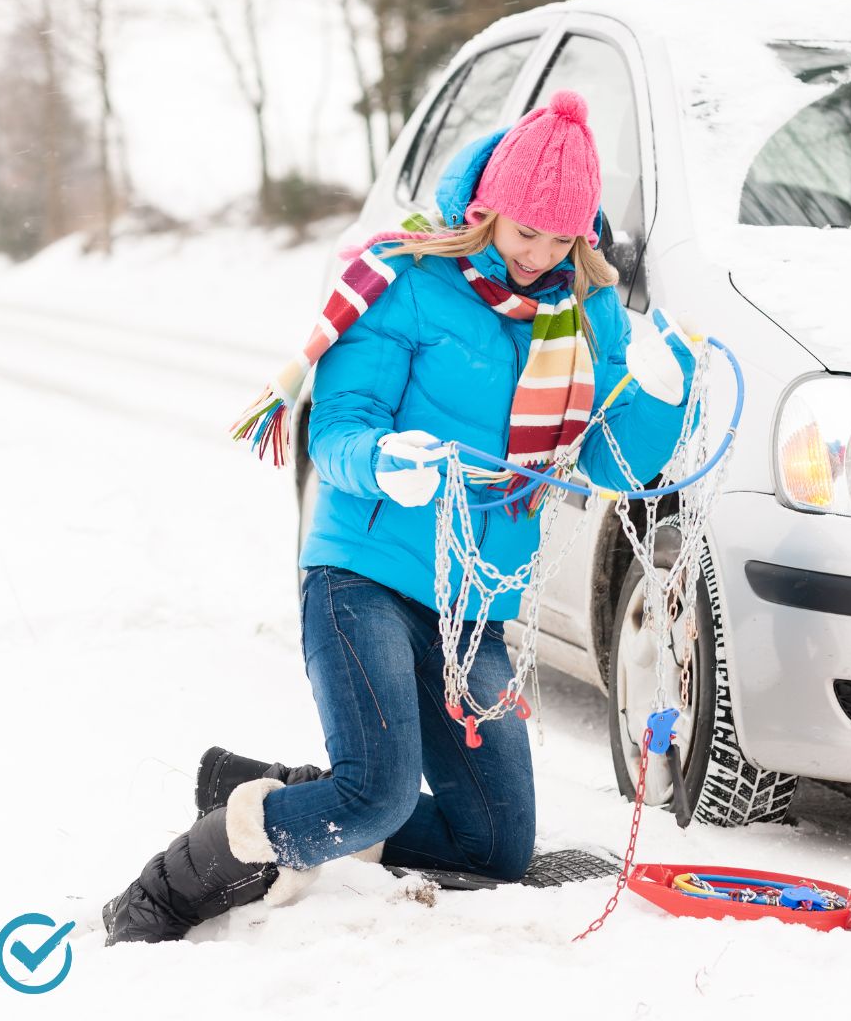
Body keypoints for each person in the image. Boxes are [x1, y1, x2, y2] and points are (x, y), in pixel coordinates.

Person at [102, 89, 697, 945]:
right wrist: (386, 462)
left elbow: (611, 464)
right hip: (363, 574)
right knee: (378, 794)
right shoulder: (406, 281)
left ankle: (292, 793)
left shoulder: (583, 309)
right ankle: (185, 874)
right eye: (523, 230)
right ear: (486, 209)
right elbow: (338, 427)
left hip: (470, 609)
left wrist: (657, 401)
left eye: (559, 237)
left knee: (494, 846)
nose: (537, 254)